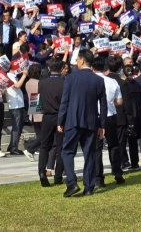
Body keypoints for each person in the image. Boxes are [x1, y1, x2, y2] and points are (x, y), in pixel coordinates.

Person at [58, 50, 107, 198]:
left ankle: (72, 182)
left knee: (67, 151)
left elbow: (64, 101)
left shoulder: (71, 78)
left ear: (82, 61)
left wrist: (60, 120)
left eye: (78, 60)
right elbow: (103, 105)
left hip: (72, 120)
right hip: (91, 121)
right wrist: (102, 125)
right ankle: (89, 187)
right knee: (89, 154)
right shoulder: (99, 80)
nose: (77, 62)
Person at [92, 56, 125, 187]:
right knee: (114, 145)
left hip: (96, 116)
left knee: (97, 148)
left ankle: (99, 178)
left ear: (92, 68)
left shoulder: (91, 81)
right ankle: (117, 172)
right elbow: (119, 101)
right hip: (110, 116)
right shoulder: (112, 82)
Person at [38, 58, 66, 187]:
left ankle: (42, 172)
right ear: (61, 69)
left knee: (45, 145)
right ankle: (58, 176)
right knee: (60, 147)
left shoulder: (42, 83)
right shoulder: (65, 82)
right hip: (61, 116)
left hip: (47, 115)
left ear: (49, 69)